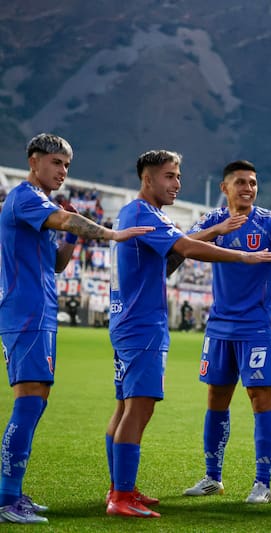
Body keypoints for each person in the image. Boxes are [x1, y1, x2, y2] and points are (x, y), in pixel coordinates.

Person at [105, 151, 271, 519]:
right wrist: (243, 257)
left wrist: (215, 232)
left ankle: (121, 488)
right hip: (142, 326)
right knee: (137, 410)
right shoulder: (144, 213)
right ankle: (122, 496)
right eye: (170, 176)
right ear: (148, 179)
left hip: (127, 322)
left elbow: (176, 249)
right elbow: (185, 247)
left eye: (178, 176)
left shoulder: (136, 213)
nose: (177, 183)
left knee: (125, 407)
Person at [0, 133, 154, 524]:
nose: (63, 171)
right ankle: (5, 498)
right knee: (30, 400)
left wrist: (69, 237)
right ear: (34, 162)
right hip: (26, 313)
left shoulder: (39, 205)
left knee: (36, 398)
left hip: (39, 312)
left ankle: (12, 492)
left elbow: (56, 263)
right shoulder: (25, 197)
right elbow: (67, 218)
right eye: (56, 163)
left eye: (67, 165)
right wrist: (111, 234)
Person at [181, 160, 271, 504]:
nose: (248, 188)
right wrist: (217, 231)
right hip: (218, 327)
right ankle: (212, 477)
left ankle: (262, 481)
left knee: (261, 401)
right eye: (241, 182)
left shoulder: (270, 222)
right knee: (216, 400)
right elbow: (183, 244)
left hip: (255, 328)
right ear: (225, 188)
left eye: (252, 183)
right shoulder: (214, 220)